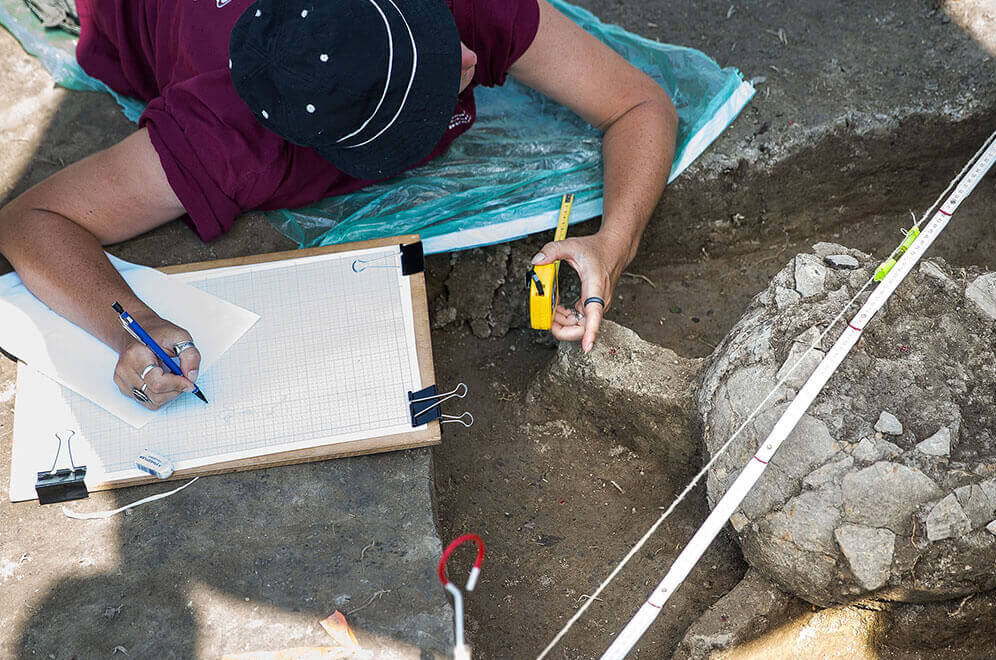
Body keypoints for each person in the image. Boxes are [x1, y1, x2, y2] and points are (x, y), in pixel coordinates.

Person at [0, 0, 677, 410]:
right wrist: (134, 326)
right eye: (435, 82)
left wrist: (613, 243)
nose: (470, 57)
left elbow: (641, 104)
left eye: (438, 39)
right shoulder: (226, 132)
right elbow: (33, 222)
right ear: (353, 149)